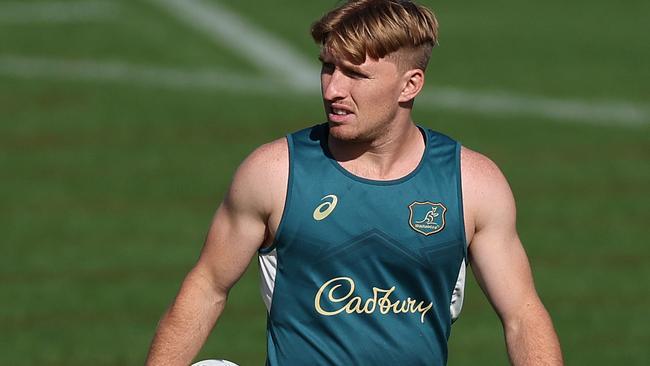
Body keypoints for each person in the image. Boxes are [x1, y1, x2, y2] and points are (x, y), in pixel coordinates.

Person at [145, 0, 563, 365]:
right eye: (328, 68)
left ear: (410, 84)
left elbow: (522, 315)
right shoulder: (275, 173)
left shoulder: (472, 184)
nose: (333, 89)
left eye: (356, 75)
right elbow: (207, 286)